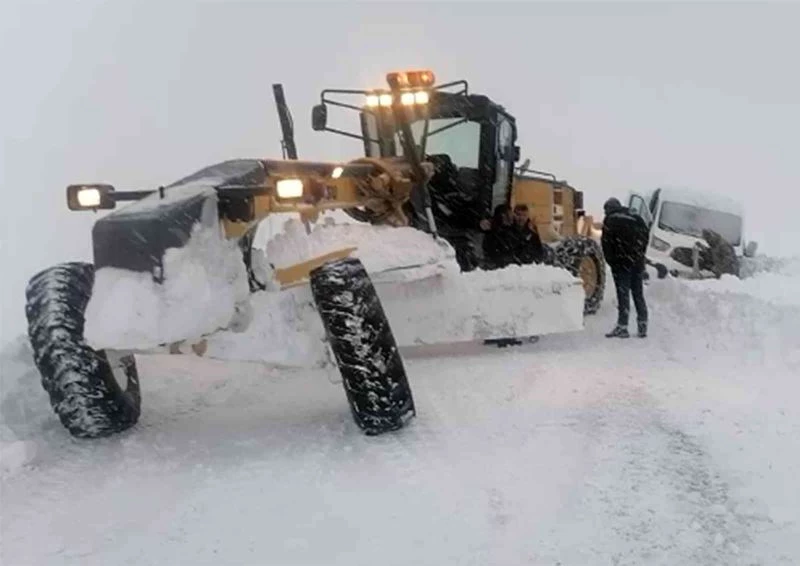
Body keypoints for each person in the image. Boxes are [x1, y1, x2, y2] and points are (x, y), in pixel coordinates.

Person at [601, 197, 650, 338]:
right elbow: (645, 238)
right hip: (637, 264)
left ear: (608, 209)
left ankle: (622, 326)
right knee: (638, 294)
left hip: (621, 265)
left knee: (623, 296)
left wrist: (612, 262)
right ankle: (643, 326)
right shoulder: (636, 218)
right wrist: (639, 255)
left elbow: (606, 245)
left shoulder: (611, 220)